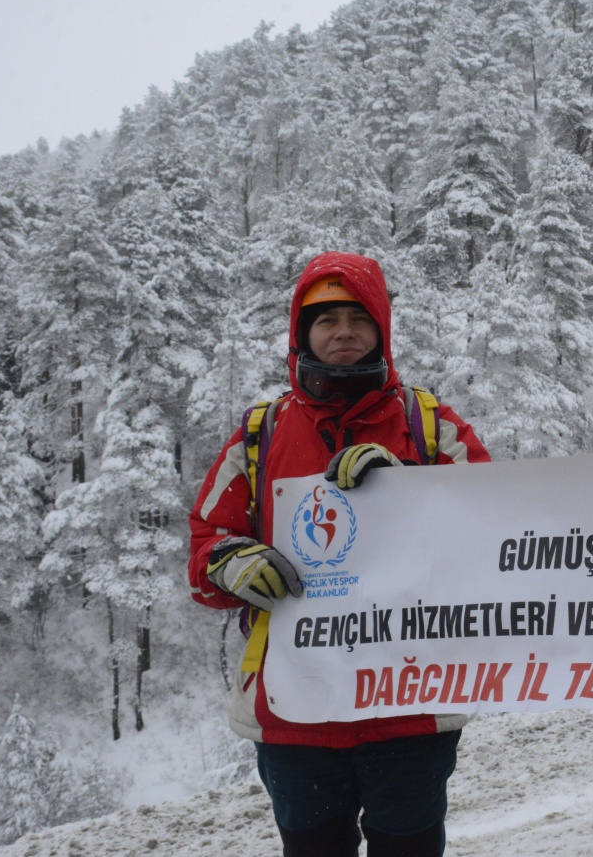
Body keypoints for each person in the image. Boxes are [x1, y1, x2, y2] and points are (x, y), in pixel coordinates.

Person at [189, 252, 490, 857]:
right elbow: (204, 548)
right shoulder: (259, 433)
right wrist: (230, 562)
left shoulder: (430, 425)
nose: (343, 332)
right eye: (325, 320)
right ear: (302, 334)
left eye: (358, 317)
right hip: (296, 711)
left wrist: (405, 487)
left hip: (409, 703)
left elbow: (490, 533)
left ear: (382, 328)